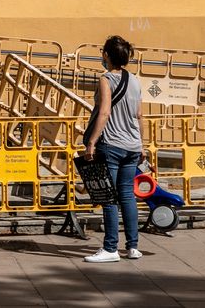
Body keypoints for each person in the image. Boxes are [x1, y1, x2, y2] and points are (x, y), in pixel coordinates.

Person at [82, 35, 144, 263]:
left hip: (112, 144)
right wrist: (143, 145)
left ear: (106, 55)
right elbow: (139, 115)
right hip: (133, 145)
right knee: (127, 195)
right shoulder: (136, 81)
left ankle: (110, 248)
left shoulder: (106, 79)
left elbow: (105, 112)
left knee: (109, 197)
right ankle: (133, 246)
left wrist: (91, 142)